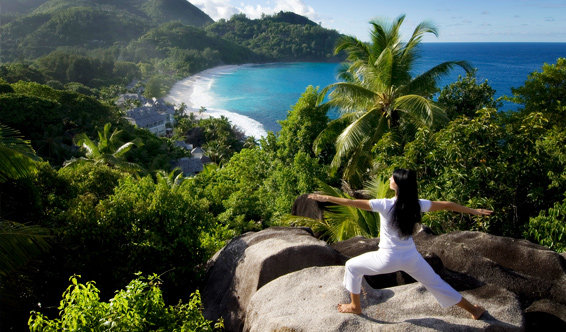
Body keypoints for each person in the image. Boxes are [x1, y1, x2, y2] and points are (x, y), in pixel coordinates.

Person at [308, 169, 492, 320]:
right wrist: (473, 211)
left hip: (387, 258)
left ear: (398, 184)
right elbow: (447, 204)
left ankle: (355, 306)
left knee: (351, 266)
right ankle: (474, 311)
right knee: (437, 284)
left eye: (392, 178)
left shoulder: (385, 204)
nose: (389, 178)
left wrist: (327, 198)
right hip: (412, 257)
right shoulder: (417, 204)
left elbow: (352, 202)